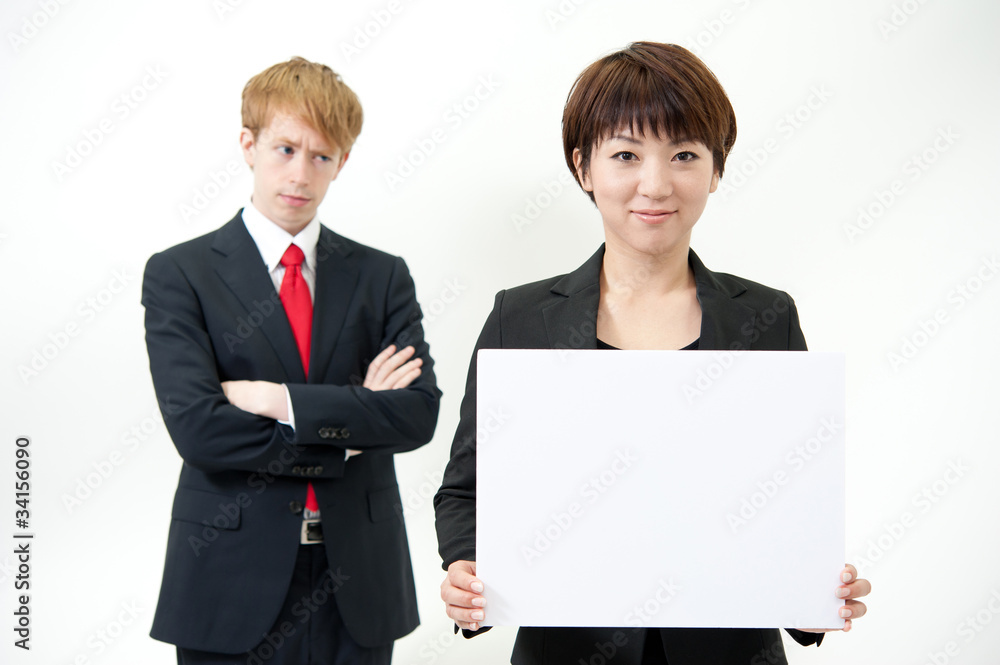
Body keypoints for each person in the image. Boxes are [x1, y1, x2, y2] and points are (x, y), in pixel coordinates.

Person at [434, 42, 870, 664]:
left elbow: (790, 493)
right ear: (585, 168)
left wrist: (817, 593)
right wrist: (465, 572)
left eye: (684, 154)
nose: (655, 184)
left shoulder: (765, 317)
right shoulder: (522, 317)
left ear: (717, 169)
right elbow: (465, 491)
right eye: (626, 155)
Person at [142, 57, 440, 665]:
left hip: (357, 578)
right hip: (228, 577)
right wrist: (349, 434)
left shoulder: (381, 277)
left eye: (322, 156)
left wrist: (279, 401)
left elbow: (415, 416)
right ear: (249, 145)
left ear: (343, 163)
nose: (301, 174)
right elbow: (200, 430)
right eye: (284, 149)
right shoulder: (181, 274)